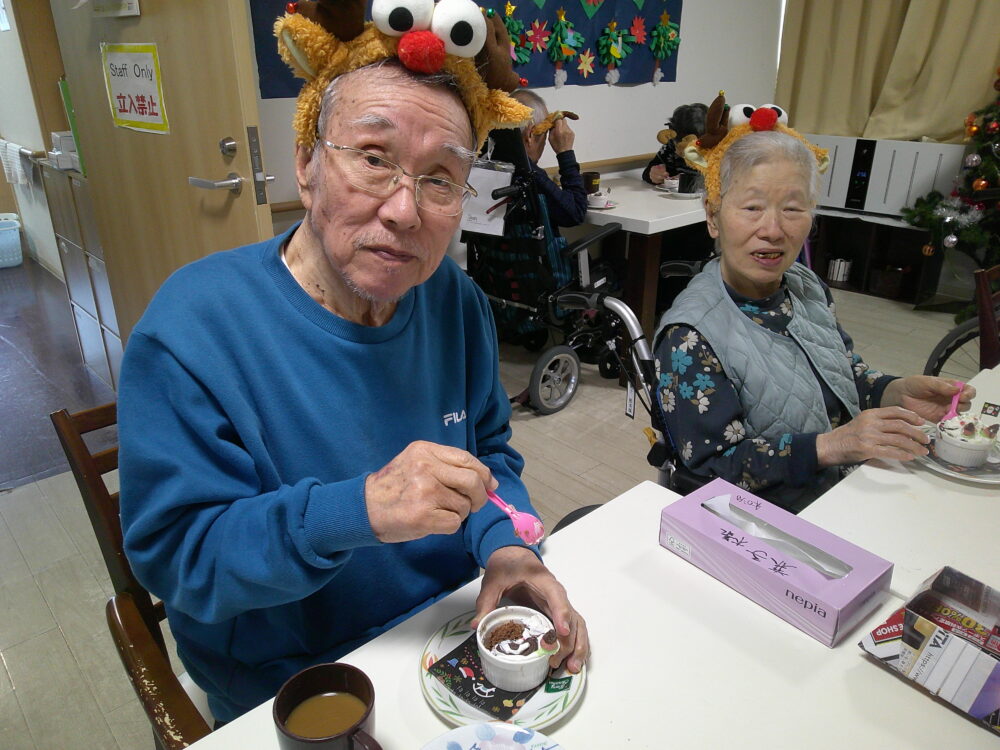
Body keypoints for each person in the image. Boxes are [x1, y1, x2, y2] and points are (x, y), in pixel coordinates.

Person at [117, 7, 588, 724]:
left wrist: (505, 549)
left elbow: (489, 454)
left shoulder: (456, 302)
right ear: (307, 164)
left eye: (440, 178)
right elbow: (179, 554)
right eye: (373, 158)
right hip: (296, 688)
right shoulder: (193, 330)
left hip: (442, 635)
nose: (404, 210)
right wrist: (357, 510)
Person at [653, 126, 974, 512]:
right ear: (713, 216)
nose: (773, 230)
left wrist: (895, 391)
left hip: (844, 491)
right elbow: (710, 469)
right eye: (752, 208)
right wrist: (831, 446)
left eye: (792, 208)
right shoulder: (689, 337)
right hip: (769, 520)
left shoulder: (806, 285)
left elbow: (842, 372)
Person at [509, 89, 588, 230]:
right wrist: (565, 153)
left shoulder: (486, 164)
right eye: (545, 135)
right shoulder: (530, 176)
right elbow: (576, 213)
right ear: (530, 135)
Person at [642, 102, 708, 185]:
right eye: (677, 143)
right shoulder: (670, 146)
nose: (680, 151)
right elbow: (648, 172)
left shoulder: (717, 152)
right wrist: (653, 174)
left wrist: (690, 180)